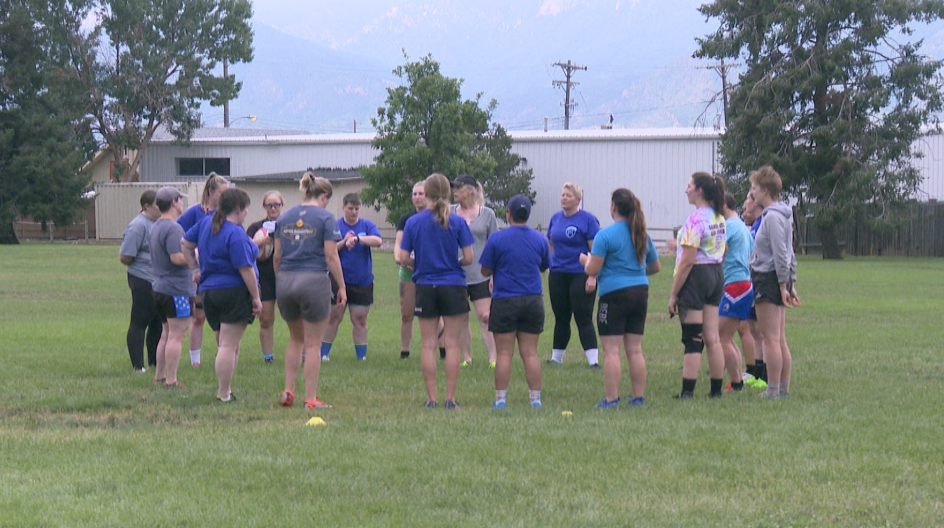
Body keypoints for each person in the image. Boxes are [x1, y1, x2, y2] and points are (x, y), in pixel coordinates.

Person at [399, 173, 474, 409]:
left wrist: (418, 264)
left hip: (426, 286)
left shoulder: (414, 222)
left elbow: (402, 258)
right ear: (448, 194)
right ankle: (450, 399)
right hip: (453, 285)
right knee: (452, 344)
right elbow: (469, 258)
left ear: (427, 194)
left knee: (428, 344)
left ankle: (431, 399)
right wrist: (454, 263)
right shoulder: (459, 222)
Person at [580, 189, 660, 408]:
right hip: (640, 291)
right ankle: (638, 397)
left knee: (611, 350)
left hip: (613, 295)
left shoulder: (605, 236)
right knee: (635, 349)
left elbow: (593, 269)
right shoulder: (641, 233)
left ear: (613, 207)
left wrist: (584, 261)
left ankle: (611, 399)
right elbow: (655, 266)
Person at [182, 188, 262, 403]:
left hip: (208, 292)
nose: (246, 214)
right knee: (227, 345)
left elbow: (185, 244)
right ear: (237, 209)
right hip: (233, 292)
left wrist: (195, 270)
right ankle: (223, 393)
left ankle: (226, 390)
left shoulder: (205, 223)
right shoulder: (235, 232)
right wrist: (256, 297)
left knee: (228, 343)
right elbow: (245, 269)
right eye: (245, 210)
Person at [274, 173, 345, 409]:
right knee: (313, 344)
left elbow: (276, 255)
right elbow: (331, 255)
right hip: (313, 280)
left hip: (285, 280)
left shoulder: (284, 217)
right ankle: (311, 399)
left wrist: (280, 280)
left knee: (295, 339)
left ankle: (288, 391)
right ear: (324, 196)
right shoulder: (326, 218)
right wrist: (342, 286)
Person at [479, 195, 549, 409]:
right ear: (527, 214)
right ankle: (535, 399)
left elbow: (484, 269)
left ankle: (501, 399)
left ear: (508, 214)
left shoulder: (497, 239)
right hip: (533, 300)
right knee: (530, 352)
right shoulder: (539, 239)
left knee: (504, 353)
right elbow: (544, 265)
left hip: (505, 300)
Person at [668, 172, 727, 399]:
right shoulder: (718, 217)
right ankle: (715, 390)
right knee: (712, 336)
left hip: (697, 277)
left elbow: (688, 260)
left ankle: (687, 392)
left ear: (699, 190)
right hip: (715, 273)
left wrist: (673, 294)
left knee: (693, 336)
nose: (686, 189)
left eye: (689, 185)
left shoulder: (694, 220)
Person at [749, 166, 800, 398]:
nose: (752, 193)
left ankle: (773, 390)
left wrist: (783, 286)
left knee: (771, 339)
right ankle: (783, 388)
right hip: (778, 279)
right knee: (778, 338)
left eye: (755, 188)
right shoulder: (784, 215)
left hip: (769, 280)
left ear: (766, 190)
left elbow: (781, 252)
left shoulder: (771, 217)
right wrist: (791, 281)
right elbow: (790, 252)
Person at [321, 193, 382, 362]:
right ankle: (323, 354)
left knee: (360, 319)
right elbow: (328, 249)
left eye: (356, 209)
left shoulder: (366, 225)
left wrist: (358, 238)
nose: (354, 212)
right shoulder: (335, 225)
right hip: (338, 279)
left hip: (362, 280)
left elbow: (378, 241)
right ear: (343, 208)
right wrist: (343, 242)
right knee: (334, 317)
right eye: (350, 208)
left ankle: (361, 357)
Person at [178, 172, 230, 368]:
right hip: (201, 275)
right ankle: (195, 361)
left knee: (223, 320)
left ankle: (223, 357)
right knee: (198, 317)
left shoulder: (228, 215)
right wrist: (194, 263)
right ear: (211, 192)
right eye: (222, 193)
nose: (225, 197)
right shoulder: (196, 213)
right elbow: (179, 236)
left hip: (221, 276)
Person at [546, 182, 601, 367]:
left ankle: (593, 361)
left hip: (581, 274)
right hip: (558, 274)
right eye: (562, 195)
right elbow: (550, 242)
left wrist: (592, 276)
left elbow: (596, 250)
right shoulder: (555, 218)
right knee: (561, 318)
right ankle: (556, 358)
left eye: (568, 195)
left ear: (578, 199)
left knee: (583, 317)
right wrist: (552, 263)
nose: (564, 198)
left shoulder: (587, 220)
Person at [451, 175, 499, 368]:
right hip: (456, 274)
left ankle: (493, 359)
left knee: (485, 316)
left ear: (470, 190)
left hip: (481, 274)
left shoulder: (487, 214)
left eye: (458, 188)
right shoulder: (449, 213)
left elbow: (495, 245)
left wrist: (494, 274)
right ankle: (467, 359)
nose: (454, 191)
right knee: (461, 318)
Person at [149, 186, 192, 387]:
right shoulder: (174, 228)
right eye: (180, 200)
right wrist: (195, 257)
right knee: (177, 335)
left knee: (166, 333)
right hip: (177, 290)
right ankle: (171, 380)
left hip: (159, 288)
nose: (182, 203)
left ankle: (159, 375)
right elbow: (176, 257)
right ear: (174, 202)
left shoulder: (156, 225)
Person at [118, 189, 162, 372]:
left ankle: (154, 362)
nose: (162, 208)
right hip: (142, 279)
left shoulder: (159, 223)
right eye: (158, 204)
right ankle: (138, 366)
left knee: (157, 322)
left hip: (159, 280)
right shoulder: (138, 226)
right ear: (147, 206)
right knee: (139, 321)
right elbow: (125, 256)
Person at [719, 192, 756, 393]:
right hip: (743, 284)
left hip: (735, 286)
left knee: (720, 337)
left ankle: (736, 383)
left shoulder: (728, 227)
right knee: (727, 336)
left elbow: (719, 252)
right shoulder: (742, 227)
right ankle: (736, 381)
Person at [246, 191, 283, 363]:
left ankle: (304, 354)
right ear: (264, 207)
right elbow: (245, 247)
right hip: (265, 278)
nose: (273, 208)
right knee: (266, 319)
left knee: (298, 318)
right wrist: (262, 242)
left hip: (287, 276)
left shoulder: (289, 225)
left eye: (276, 204)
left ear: (282, 206)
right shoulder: (255, 228)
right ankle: (268, 357)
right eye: (269, 205)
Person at [394, 181, 427, 359]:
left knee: (432, 315)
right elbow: (399, 244)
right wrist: (400, 257)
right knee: (407, 314)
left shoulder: (435, 217)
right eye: (414, 194)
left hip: (430, 273)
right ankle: (405, 352)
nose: (417, 197)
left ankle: (443, 351)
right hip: (408, 273)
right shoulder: (406, 219)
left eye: (420, 194)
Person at [742, 193, 768, 388]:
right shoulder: (753, 226)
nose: (745, 204)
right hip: (750, 281)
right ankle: (757, 374)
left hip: (760, 281)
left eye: (748, 200)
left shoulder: (763, 224)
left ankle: (767, 376)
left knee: (763, 331)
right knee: (753, 329)